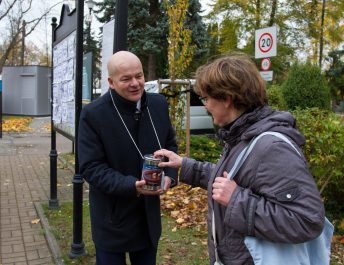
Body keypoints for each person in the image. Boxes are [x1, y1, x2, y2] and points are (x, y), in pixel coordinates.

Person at [154, 54, 325, 265]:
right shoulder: (243, 135)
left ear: (227, 99)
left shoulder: (271, 147)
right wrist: (185, 164)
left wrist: (236, 200)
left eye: (207, 98)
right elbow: (234, 177)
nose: (205, 105)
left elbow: (307, 220)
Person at [78, 51, 178, 265]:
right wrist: (132, 185)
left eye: (139, 76)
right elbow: (90, 167)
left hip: (147, 219)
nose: (135, 84)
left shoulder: (159, 104)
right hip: (112, 218)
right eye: (126, 79)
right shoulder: (93, 114)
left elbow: (170, 145)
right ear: (111, 82)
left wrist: (170, 175)